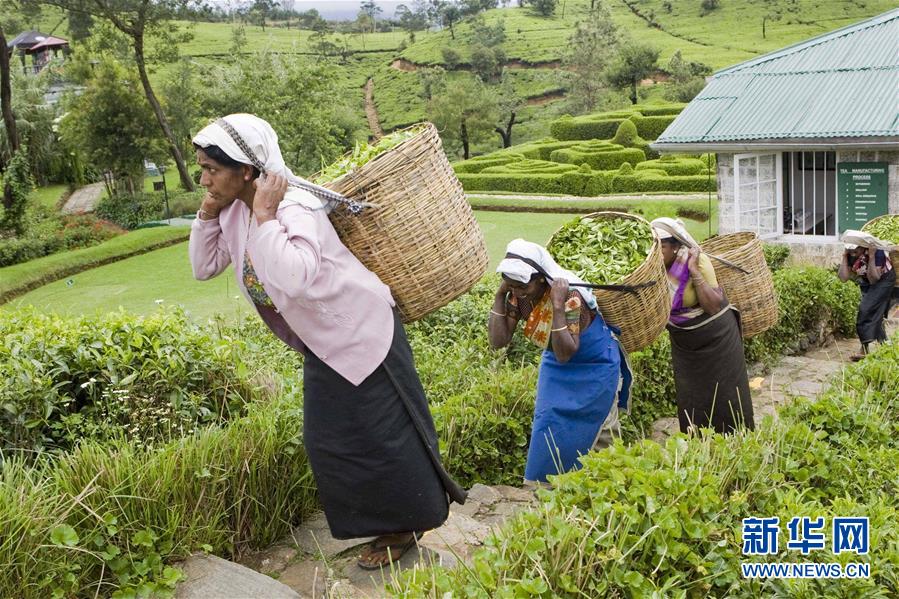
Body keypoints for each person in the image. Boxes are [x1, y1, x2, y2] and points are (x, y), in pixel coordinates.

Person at [188, 114, 466, 570]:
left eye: (211, 169)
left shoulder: (294, 205)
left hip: (363, 329)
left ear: (246, 169)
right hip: (324, 340)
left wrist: (264, 216)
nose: (204, 178)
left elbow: (293, 276)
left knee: (385, 433)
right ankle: (391, 521)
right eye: (202, 168)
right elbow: (204, 266)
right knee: (333, 439)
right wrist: (207, 213)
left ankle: (405, 525)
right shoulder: (236, 210)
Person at [488, 239, 632, 485]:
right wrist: (500, 294)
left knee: (601, 430)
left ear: (542, 278)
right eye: (511, 285)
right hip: (556, 364)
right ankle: (548, 489)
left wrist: (557, 304)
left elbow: (567, 352)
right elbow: (498, 341)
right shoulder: (517, 294)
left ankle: (606, 484)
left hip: (593, 364)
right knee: (548, 423)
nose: (518, 292)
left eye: (522, 286)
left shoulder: (571, 296)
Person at [650, 218, 754, 435]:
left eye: (663, 246)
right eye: (654, 245)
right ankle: (698, 448)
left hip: (716, 340)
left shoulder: (698, 261)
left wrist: (694, 272)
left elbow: (713, 306)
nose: (657, 251)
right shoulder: (654, 267)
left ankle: (735, 447)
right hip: (686, 344)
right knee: (693, 399)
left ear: (677, 246)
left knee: (726, 397)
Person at [837, 236, 896, 360]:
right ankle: (885, 345)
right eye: (850, 250)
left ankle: (864, 348)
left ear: (863, 247)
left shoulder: (877, 252)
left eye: (856, 250)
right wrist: (844, 257)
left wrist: (872, 257)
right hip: (867, 282)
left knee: (865, 310)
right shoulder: (850, 255)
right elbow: (843, 278)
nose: (853, 253)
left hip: (884, 280)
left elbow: (874, 278)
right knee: (875, 313)